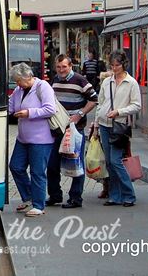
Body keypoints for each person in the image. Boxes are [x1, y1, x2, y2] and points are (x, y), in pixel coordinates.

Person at [46, 54, 98, 209]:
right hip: (57, 130)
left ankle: (76, 198)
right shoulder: (54, 80)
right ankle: (55, 195)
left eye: (64, 67)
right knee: (51, 164)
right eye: (59, 67)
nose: (61, 70)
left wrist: (79, 114)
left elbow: (94, 99)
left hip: (75, 129)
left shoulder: (80, 80)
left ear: (70, 66)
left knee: (76, 164)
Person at [8, 62, 58, 217]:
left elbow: (50, 109)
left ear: (28, 77)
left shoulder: (43, 87)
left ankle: (38, 205)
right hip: (23, 138)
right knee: (15, 166)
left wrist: (29, 112)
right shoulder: (18, 90)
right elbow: (10, 107)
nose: (17, 84)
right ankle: (29, 197)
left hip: (41, 139)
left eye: (18, 80)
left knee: (37, 172)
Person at [93, 50, 141, 207]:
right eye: (112, 65)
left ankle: (129, 194)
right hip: (104, 124)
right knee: (109, 162)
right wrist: (95, 125)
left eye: (117, 65)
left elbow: (136, 105)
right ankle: (115, 195)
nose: (114, 68)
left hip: (119, 126)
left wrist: (119, 112)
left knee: (116, 161)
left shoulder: (131, 82)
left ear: (124, 64)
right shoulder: (107, 82)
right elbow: (100, 103)